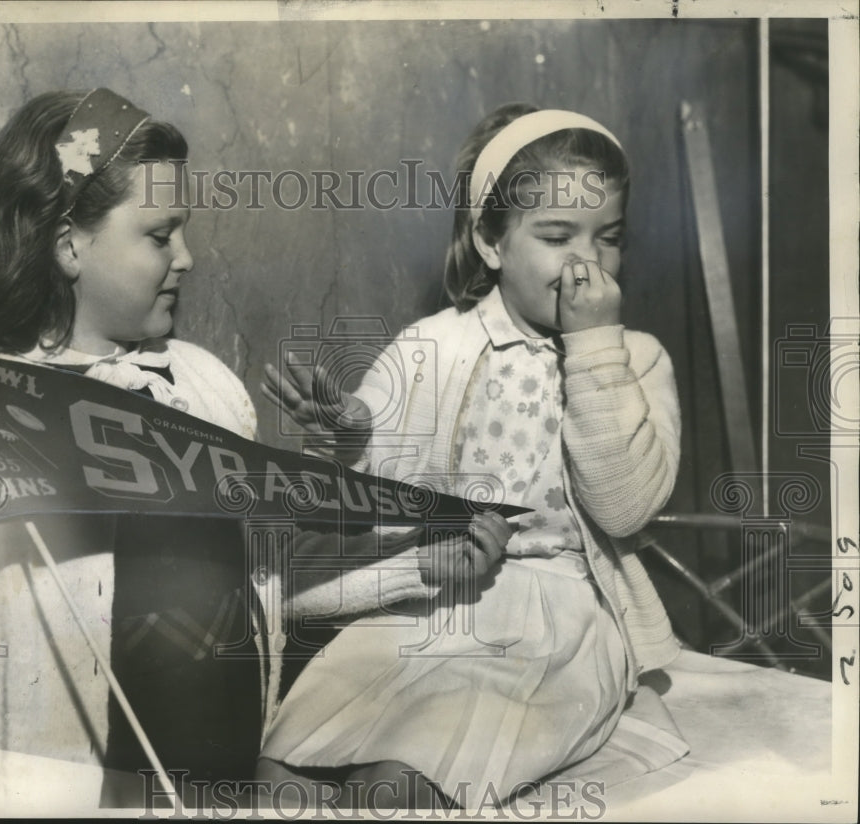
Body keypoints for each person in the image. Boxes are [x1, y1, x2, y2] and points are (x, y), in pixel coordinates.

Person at [258, 103, 688, 810]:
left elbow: (624, 505)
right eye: (557, 236)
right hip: (428, 598)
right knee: (280, 777)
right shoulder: (433, 346)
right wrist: (348, 435)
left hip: (560, 622)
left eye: (607, 238)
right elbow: (366, 499)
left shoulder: (633, 358)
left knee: (396, 787)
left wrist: (594, 347)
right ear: (491, 241)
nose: (587, 263)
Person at [0, 88, 262, 799]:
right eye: (159, 234)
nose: (188, 257)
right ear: (68, 246)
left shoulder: (207, 389)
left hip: (215, 788)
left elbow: (263, 585)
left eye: (184, 231)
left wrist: (422, 567)